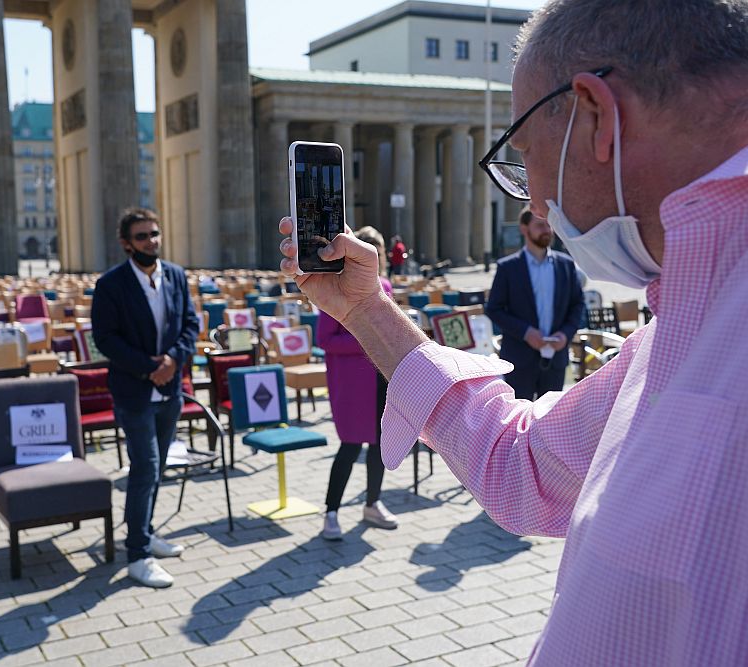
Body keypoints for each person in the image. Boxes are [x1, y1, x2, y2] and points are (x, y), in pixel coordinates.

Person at [277, 0, 748, 663]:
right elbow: (522, 466)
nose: (529, 200)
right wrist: (365, 309)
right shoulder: (683, 317)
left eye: (523, 154)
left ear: (593, 115)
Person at [92, 207, 199, 589]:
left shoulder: (175, 275)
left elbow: (190, 323)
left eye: (155, 234)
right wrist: (148, 366)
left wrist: (172, 360)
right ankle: (136, 554)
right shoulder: (110, 285)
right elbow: (105, 338)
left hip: (169, 387)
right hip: (134, 387)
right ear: (125, 243)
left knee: (158, 468)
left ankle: (146, 531)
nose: (151, 241)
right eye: (142, 236)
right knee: (145, 468)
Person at [317, 226, 398, 539]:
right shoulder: (338, 287)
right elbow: (326, 339)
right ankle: (331, 512)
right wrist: (366, 341)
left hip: (381, 379)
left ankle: (372, 503)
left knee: (380, 445)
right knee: (349, 447)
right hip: (352, 384)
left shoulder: (386, 286)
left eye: (378, 250)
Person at [485, 206, 584, 399]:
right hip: (519, 359)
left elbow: (578, 305)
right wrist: (526, 332)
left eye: (549, 225)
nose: (546, 230)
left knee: (550, 421)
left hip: (555, 359)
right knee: (517, 420)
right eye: (540, 225)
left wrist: (565, 335)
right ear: (524, 229)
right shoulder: (508, 267)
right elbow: (494, 309)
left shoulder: (566, 265)